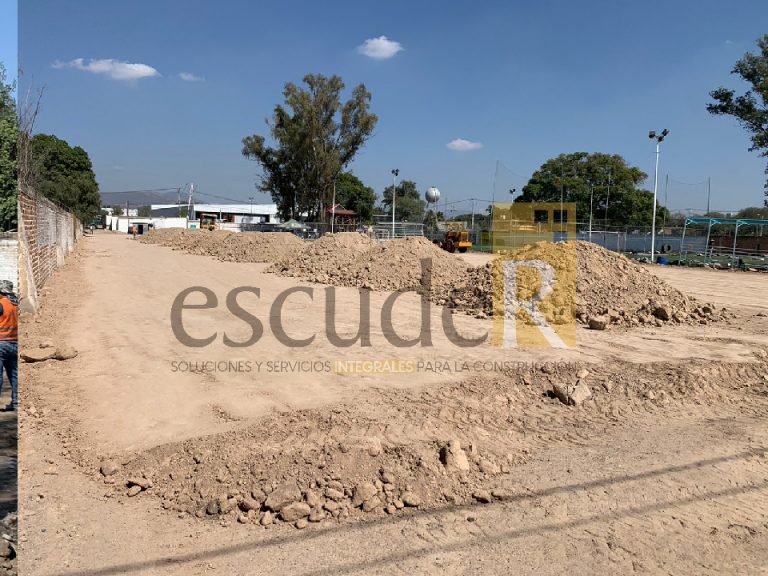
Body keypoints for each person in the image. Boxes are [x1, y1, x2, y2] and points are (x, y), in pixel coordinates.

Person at [0, 280, 18, 411]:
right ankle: (16, 403)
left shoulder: (1, 304)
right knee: (14, 375)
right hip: (15, 343)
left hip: (1, 343)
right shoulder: (15, 304)